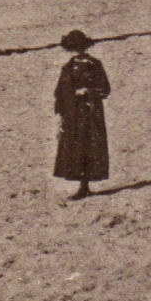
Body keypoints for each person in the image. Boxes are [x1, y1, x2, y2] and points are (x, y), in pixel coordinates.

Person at [53, 30, 111, 200]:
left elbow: (105, 89)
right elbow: (59, 92)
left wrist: (88, 92)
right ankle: (81, 185)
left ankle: (85, 186)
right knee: (75, 147)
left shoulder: (95, 64)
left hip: (91, 112)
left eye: (80, 47)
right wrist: (61, 114)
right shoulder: (68, 67)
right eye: (74, 47)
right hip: (72, 113)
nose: (78, 50)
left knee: (89, 146)